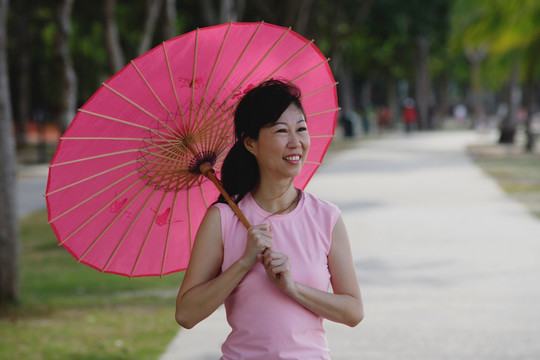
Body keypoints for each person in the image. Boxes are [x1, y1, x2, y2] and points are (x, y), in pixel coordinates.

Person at [175, 79, 364, 359]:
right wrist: (243, 263)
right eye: (281, 131)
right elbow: (186, 314)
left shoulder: (326, 217)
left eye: (301, 129)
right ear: (251, 143)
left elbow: (353, 312)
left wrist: (292, 288)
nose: (295, 142)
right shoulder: (223, 219)